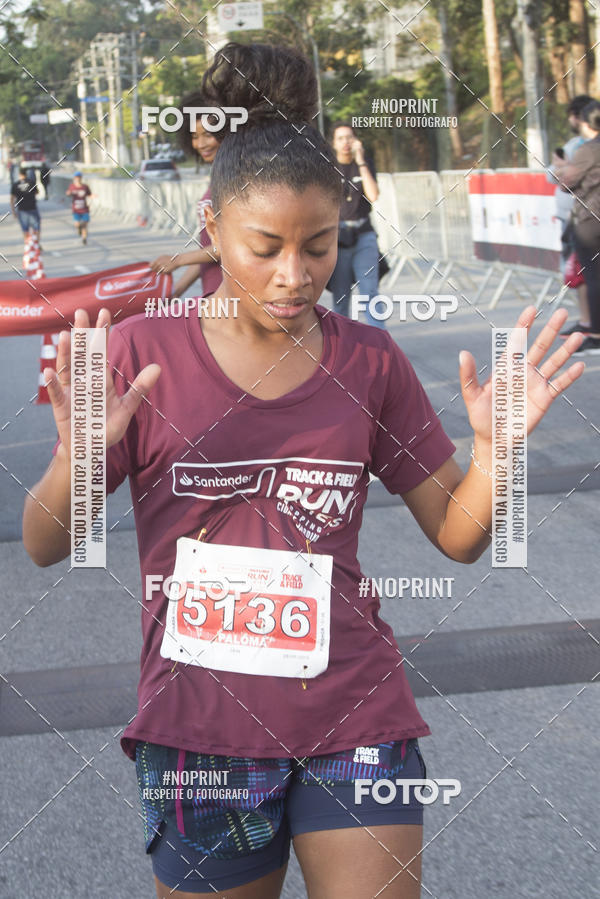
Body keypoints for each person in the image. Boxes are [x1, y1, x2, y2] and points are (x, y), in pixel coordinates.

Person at [23, 41, 585, 899]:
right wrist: (77, 455)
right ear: (212, 231)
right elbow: (42, 543)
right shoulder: (136, 352)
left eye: (319, 247)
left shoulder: (369, 358)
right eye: (266, 247)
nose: (295, 276)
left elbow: (460, 535)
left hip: (355, 710)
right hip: (199, 729)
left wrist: (497, 450)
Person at [150, 94, 222, 297]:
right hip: (214, 296)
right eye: (194, 136)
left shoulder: (236, 179)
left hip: (236, 302)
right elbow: (209, 250)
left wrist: (178, 260)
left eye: (208, 134)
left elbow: (229, 247)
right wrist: (175, 292)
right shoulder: (217, 176)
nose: (200, 144)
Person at [554, 99, 600, 354]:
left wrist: (561, 167)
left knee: (593, 277)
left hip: (591, 219)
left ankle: (596, 334)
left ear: (585, 122)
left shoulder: (588, 150)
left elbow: (566, 183)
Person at [327, 122, 384, 328]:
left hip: (363, 235)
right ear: (333, 143)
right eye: (340, 138)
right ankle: (345, 345)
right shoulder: (328, 166)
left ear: (356, 140)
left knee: (370, 291)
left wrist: (361, 161)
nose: (345, 143)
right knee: (341, 296)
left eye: (349, 137)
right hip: (339, 237)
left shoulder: (365, 163)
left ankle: (381, 345)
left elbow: (374, 195)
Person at [10, 167, 40, 238]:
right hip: (32, 208)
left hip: (22, 209)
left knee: (25, 230)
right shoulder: (32, 182)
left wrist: (13, 212)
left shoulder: (15, 185)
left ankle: (27, 245)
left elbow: (12, 199)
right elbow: (37, 192)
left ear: (19, 174)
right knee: (36, 228)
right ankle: (36, 244)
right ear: (26, 174)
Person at [66, 171, 94, 244]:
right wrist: (68, 193)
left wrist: (93, 196)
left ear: (81, 178)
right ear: (74, 178)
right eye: (76, 178)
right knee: (77, 224)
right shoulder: (72, 186)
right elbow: (68, 193)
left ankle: (84, 239)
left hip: (84, 209)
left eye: (79, 178)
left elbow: (89, 194)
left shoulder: (85, 187)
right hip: (76, 209)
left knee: (84, 225)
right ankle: (79, 229)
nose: (78, 179)